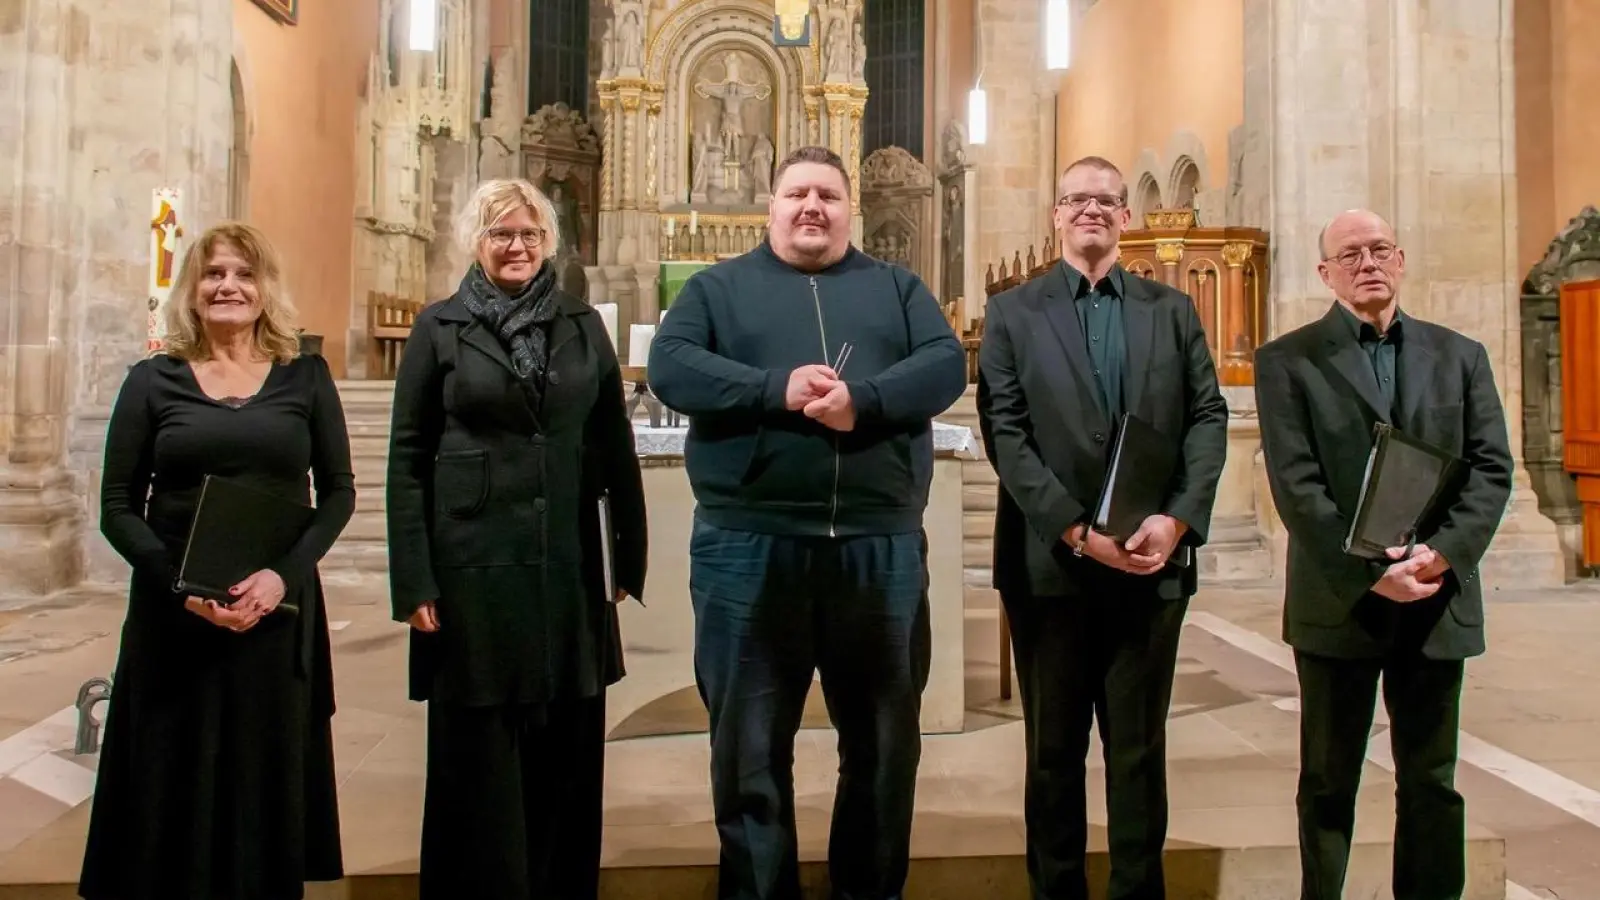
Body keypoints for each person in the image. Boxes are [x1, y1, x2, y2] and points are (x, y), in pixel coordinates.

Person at [648, 145, 968, 900]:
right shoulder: (717, 289)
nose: (812, 207)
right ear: (772, 206)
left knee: (885, 746)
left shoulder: (896, 287)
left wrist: (868, 401)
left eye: (827, 194)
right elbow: (671, 365)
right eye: (797, 194)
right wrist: (774, 387)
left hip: (876, 545)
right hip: (749, 545)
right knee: (749, 748)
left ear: (849, 209)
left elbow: (945, 365)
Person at [386, 177, 647, 900]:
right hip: (469, 566)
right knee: (477, 754)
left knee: (565, 745)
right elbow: (408, 458)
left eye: (530, 233)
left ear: (548, 244)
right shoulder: (438, 328)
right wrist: (413, 580)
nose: (517, 245)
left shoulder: (580, 324)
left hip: (566, 563)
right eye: (502, 232)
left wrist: (626, 556)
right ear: (478, 239)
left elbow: (611, 446)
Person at [976, 155, 1229, 900]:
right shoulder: (1013, 314)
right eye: (1075, 199)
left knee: (1139, 752)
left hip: (1152, 565)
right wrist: (1077, 532)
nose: (1091, 210)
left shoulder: (1172, 310)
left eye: (1105, 201)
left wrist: (1176, 518)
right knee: (1053, 753)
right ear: (1056, 215)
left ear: (1126, 217)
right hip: (1050, 567)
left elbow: (1207, 417)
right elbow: (1007, 435)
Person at [80, 222, 353, 900]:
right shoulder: (153, 381)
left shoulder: (306, 377)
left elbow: (339, 493)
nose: (228, 286)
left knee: (263, 784)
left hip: (275, 610)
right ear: (192, 291)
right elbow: (118, 503)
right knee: (171, 783)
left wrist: (279, 576)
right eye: (213, 274)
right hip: (176, 613)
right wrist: (182, 586)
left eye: (243, 274)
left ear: (264, 290)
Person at [1254, 209, 1512, 900]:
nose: (1367, 263)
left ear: (1400, 261)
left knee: (1430, 780)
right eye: (1350, 254)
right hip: (1340, 603)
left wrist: (1441, 556)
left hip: (1436, 600)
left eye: (1378, 250)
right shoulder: (1287, 360)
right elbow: (1296, 484)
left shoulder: (1461, 356)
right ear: (1326, 273)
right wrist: (1370, 574)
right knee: (1329, 779)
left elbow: (1491, 469)